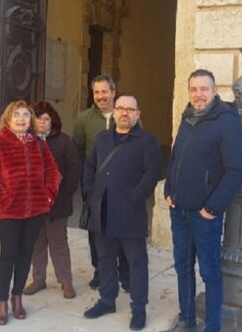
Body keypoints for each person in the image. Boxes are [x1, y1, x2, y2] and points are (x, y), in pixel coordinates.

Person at [164, 69, 242, 332]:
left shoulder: (226, 121)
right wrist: (169, 189)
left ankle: (212, 327)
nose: (198, 95)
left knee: (209, 273)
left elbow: (236, 170)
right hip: (179, 210)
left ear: (214, 91)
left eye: (204, 89)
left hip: (204, 215)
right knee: (182, 268)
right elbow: (176, 157)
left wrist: (211, 209)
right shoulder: (187, 118)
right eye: (194, 89)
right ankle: (187, 319)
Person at [82, 95, 163, 331]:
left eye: (130, 109)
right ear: (114, 112)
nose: (125, 113)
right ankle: (107, 300)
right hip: (102, 210)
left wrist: (136, 196)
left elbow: (152, 173)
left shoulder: (147, 140)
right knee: (105, 258)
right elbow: (90, 165)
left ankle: (139, 309)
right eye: (121, 108)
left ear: (138, 114)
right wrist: (89, 191)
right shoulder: (103, 138)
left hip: (130, 212)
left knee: (136, 263)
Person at [0, 100, 62, 325]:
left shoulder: (38, 144)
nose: (21, 118)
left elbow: (53, 172)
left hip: (35, 209)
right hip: (9, 211)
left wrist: (47, 194)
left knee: (26, 253)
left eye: (26, 115)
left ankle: (17, 298)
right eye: (16, 114)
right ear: (8, 118)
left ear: (31, 120)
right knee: (8, 254)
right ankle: (1, 302)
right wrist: (2, 200)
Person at [72, 74, 130, 292]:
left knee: (122, 228)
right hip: (95, 186)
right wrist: (84, 185)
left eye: (105, 91)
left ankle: (123, 272)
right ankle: (100, 270)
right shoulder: (83, 119)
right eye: (96, 92)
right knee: (95, 231)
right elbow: (77, 151)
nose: (101, 96)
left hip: (121, 185)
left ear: (113, 92)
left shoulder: (127, 115)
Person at [22, 101, 81, 299]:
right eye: (39, 119)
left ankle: (65, 281)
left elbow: (74, 168)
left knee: (58, 242)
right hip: (34, 203)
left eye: (46, 119)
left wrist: (66, 192)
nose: (42, 123)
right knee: (36, 243)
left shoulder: (63, 141)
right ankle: (38, 279)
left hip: (58, 202)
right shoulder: (26, 140)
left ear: (52, 121)